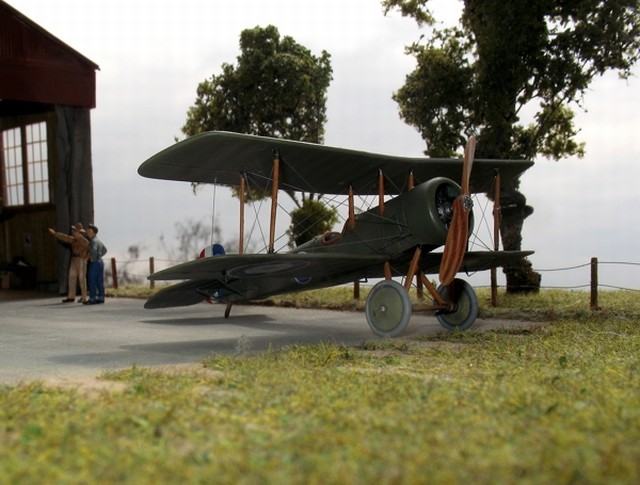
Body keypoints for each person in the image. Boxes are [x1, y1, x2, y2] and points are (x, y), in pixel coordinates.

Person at [48, 223, 89, 303]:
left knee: (82, 279)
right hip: (74, 258)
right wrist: (55, 233)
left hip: (81, 259)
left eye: (74, 231)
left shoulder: (84, 241)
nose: (73, 232)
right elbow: (64, 237)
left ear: (78, 232)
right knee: (71, 277)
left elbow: (90, 250)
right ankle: (71, 296)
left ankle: (84, 297)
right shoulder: (73, 240)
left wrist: (86, 258)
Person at [85, 224, 107, 304]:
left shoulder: (92, 241)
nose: (87, 231)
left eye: (89, 230)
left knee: (92, 280)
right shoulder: (99, 241)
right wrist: (99, 255)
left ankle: (92, 298)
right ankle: (101, 297)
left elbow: (93, 250)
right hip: (100, 262)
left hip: (94, 262)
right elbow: (105, 250)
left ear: (93, 232)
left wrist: (92, 257)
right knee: (99, 280)